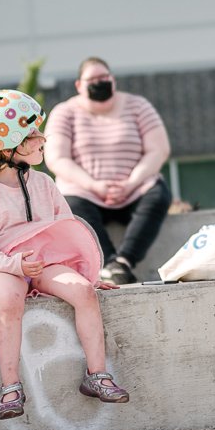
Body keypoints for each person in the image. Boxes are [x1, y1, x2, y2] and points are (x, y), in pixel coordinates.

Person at [0, 89, 129, 420]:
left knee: (83, 292)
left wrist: (87, 277)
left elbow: (65, 231)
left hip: (42, 262)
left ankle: (98, 376)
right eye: (31, 134)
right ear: (4, 148)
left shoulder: (45, 184)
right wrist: (13, 264)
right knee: (10, 297)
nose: (41, 139)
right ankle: (10, 387)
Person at [45, 58, 172, 285]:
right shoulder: (65, 112)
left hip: (134, 189)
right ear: (79, 85)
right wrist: (94, 185)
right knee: (70, 205)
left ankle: (122, 262)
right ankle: (109, 263)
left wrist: (132, 183)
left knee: (158, 194)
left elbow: (158, 149)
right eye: (92, 80)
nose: (99, 83)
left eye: (104, 78)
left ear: (112, 79)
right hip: (84, 191)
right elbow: (56, 157)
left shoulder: (138, 106)